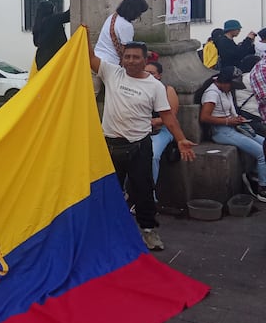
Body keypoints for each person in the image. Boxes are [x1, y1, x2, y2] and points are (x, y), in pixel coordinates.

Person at [88, 37, 195, 251]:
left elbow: (167, 116)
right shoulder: (112, 73)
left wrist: (181, 138)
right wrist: (85, 35)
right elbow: (90, 58)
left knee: (143, 191)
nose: (131, 61)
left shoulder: (154, 86)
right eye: (127, 56)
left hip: (139, 146)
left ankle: (148, 231)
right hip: (110, 145)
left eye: (136, 57)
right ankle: (108, 231)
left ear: (144, 59)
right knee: (108, 190)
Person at [199, 66, 266, 202]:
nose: (233, 88)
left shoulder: (225, 90)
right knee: (261, 152)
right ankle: (262, 187)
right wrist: (228, 121)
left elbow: (231, 110)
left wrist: (237, 119)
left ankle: (253, 174)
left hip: (233, 126)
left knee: (264, 144)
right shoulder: (212, 94)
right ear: (224, 81)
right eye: (232, 84)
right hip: (221, 131)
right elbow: (204, 117)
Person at [145, 62, 180, 185]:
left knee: (153, 155)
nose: (148, 75)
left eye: (152, 73)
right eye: (146, 72)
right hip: (141, 129)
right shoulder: (139, 88)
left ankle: (151, 191)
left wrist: (155, 121)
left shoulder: (167, 90)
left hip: (163, 129)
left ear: (159, 75)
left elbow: (172, 114)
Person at [94, 0, 149, 65]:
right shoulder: (126, 26)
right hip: (110, 64)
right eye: (140, 13)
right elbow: (127, 50)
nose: (139, 16)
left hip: (96, 58)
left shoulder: (112, 17)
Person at [32, 0, 71, 70]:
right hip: (55, 58)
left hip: (41, 60)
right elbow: (68, 15)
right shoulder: (53, 19)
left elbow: (36, 43)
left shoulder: (37, 24)